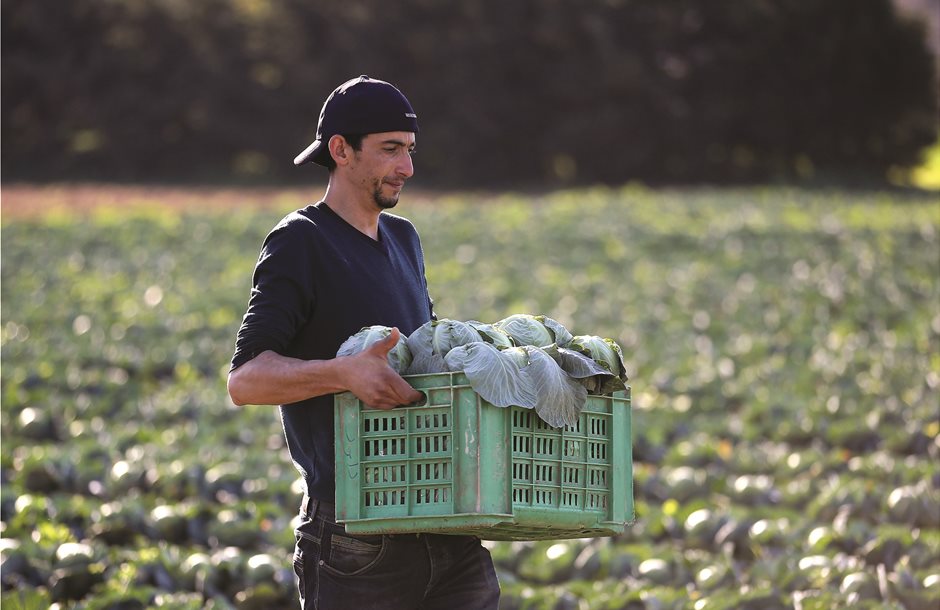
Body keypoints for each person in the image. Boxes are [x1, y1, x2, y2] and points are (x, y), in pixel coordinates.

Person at [227, 75, 500, 609]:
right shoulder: (300, 241)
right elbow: (245, 380)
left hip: (446, 522)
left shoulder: (404, 238)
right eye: (391, 150)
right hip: (358, 538)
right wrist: (342, 373)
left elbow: (424, 353)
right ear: (340, 150)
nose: (408, 167)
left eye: (411, 150)